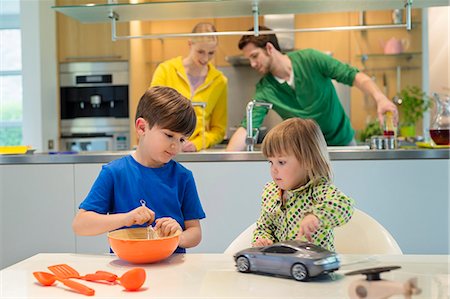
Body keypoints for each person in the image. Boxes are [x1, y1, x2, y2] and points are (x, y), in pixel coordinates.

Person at [72, 86, 206, 253]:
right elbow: (80, 225)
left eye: (182, 139)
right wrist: (126, 218)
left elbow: (195, 232)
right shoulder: (115, 173)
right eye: (169, 135)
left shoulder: (183, 177)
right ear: (142, 127)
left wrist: (179, 236)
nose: (175, 145)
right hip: (126, 267)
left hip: (172, 267)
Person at [226, 26, 398, 151]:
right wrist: (227, 160)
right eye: (249, 59)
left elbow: (352, 75)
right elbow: (247, 127)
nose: (252, 64)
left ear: (269, 48)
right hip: (310, 152)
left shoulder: (310, 59)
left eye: (254, 56)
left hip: (343, 144)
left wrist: (380, 98)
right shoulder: (266, 88)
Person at [253, 118, 355, 251]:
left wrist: (316, 216)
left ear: (307, 162)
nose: (274, 169)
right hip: (282, 264)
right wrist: (262, 239)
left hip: (315, 264)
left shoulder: (318, 190)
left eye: (281, 162)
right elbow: (264, 227)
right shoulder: (271, 191)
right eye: (270, 162)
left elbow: (344, 206)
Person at [150, 22, 228, 152]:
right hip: (162, 148)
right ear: (190, 44)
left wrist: (197, 144)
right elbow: (151, 112)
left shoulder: (220, 81)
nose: (205, 58)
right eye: (201, 52)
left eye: (211, 53)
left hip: (194, 151)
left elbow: (219, 129)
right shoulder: (165, 70)